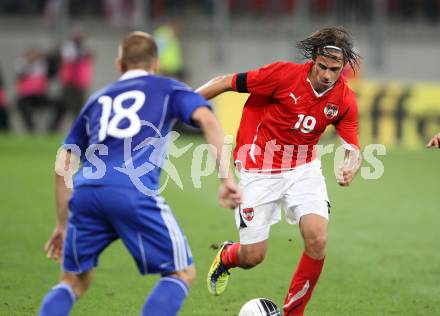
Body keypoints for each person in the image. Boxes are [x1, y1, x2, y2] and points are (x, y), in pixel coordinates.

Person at [38, 31, 241, 316]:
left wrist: (62, 224)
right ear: (155, 64)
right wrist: (226, 179)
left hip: (85, 193)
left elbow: (64, 162)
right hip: (131, 190)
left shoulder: (97, 100)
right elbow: (207, 118)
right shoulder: (168, 88)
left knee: (73, 280)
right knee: (181, 273)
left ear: (119, 64)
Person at [196, 26, 362, 316]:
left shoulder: (344, 99)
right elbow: (225, 82)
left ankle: (293, 313)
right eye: (322, 67)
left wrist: (350, 166)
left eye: (334, 69)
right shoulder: (282, 75)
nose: (326, 75)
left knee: (318, 239)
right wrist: (180, 104)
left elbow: (354, 148)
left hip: (304, 170)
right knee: (252, 257)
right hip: (259, 169)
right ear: (313, 60)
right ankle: (227, 255)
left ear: (342, 68)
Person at [15, 48, 50, 132]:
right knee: (23, 106)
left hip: (39, 95)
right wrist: (28, 63)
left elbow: (47, 75)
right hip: (26, 95)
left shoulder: (41, 65)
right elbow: (19, 74)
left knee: (55, 104)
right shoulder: (22, 64)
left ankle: (51, 127)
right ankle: (30, 127)